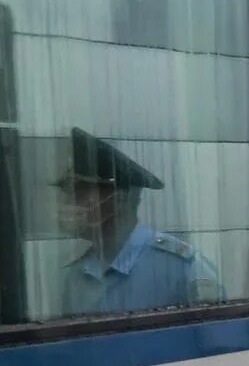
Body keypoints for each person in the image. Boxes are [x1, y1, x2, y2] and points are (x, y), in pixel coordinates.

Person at [56, 127, 223, 317]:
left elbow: (221, 343)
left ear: (118, 199)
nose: (68, 204)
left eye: (80, 192)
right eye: (68, 193)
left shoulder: (181, 269)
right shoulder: (77, 277)